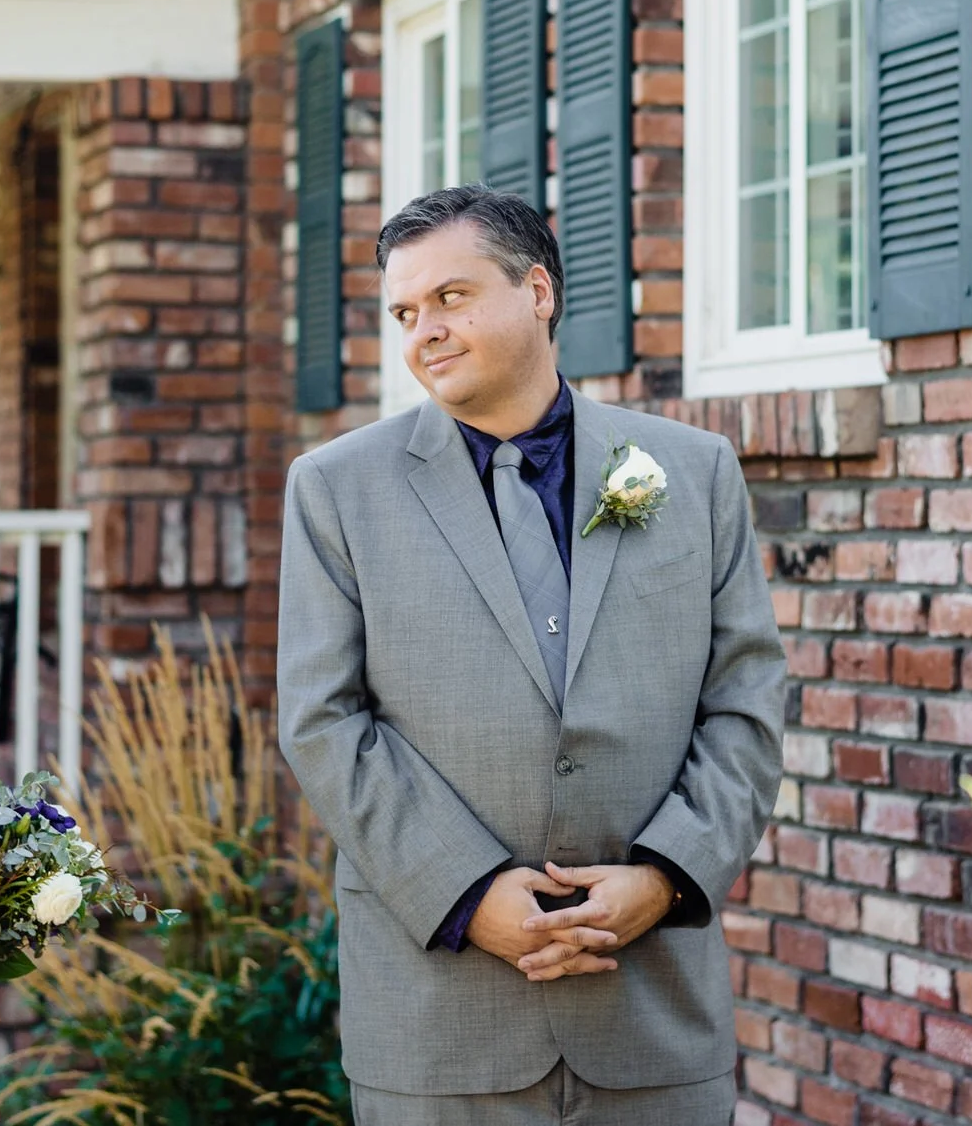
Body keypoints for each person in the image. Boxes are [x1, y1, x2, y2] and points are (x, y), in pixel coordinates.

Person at [277, 187, 784, 1125]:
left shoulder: (694, 470)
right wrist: (468, 893)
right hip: (441, 1024)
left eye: (452, 297)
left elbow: (745, 706)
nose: (424, 329)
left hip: (653, 1017)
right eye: (405, 312)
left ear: (538, 291)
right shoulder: (336, 490)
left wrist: (666, 875)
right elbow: (322, 720)